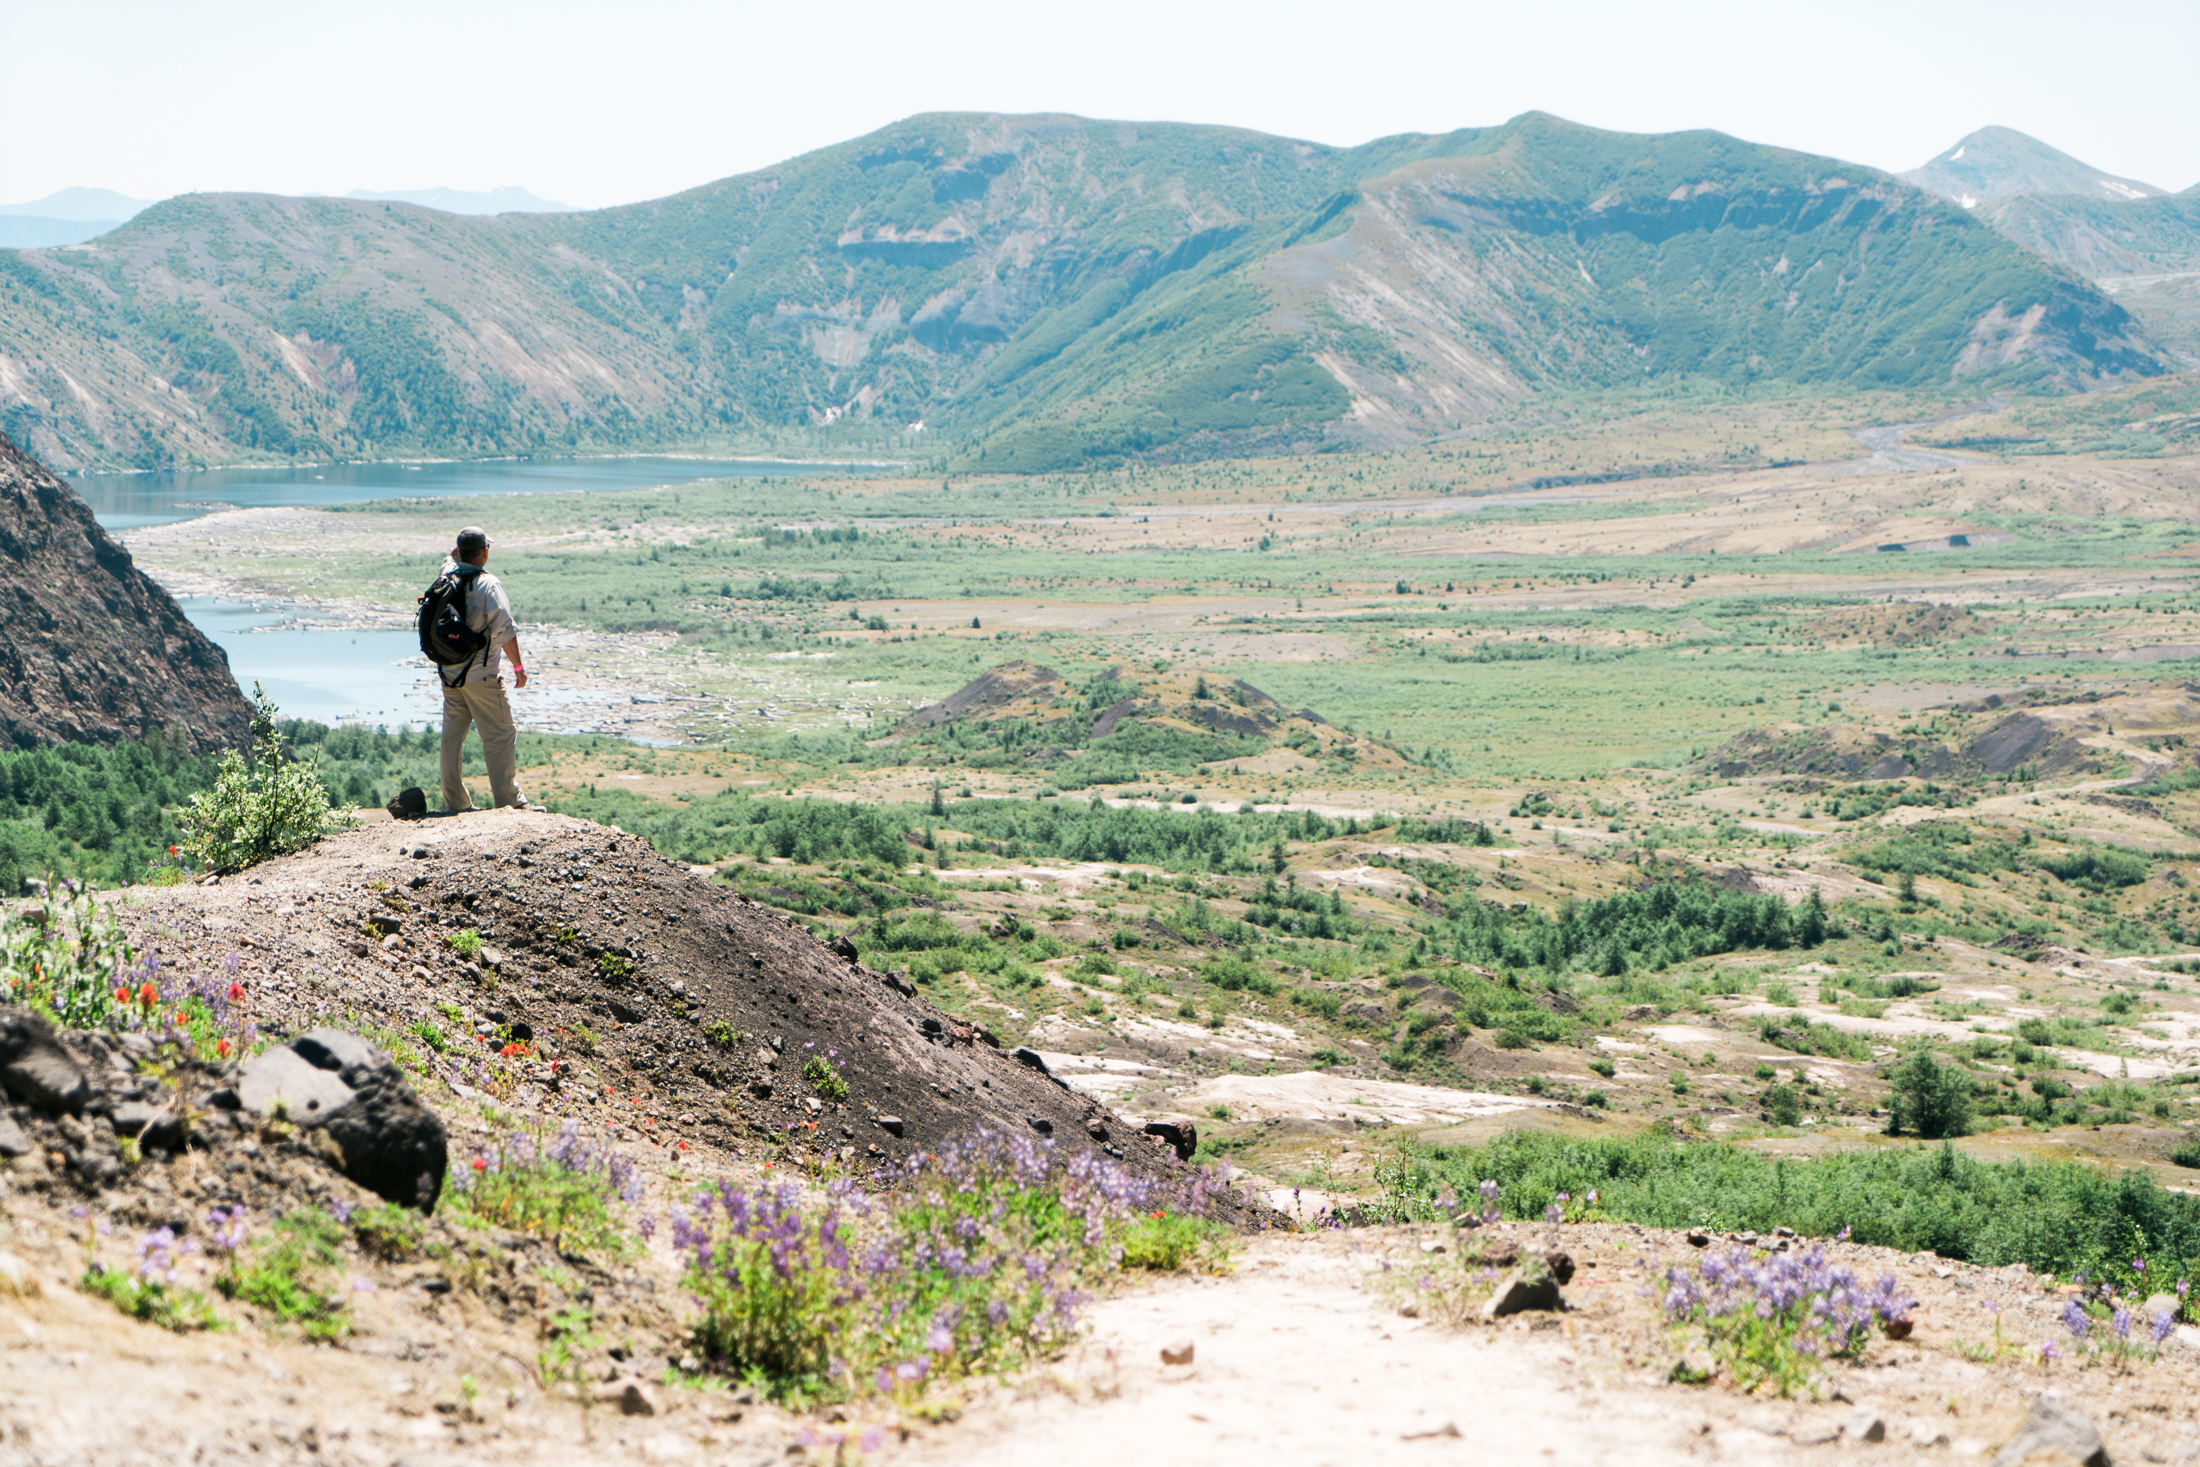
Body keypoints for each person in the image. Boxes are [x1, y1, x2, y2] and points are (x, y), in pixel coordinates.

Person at [437, 526, 533, 812]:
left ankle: (456, 803)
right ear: (484, 552)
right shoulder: (488, 585)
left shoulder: (446, 575)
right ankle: (508, 801)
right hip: (480, 675)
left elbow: (449, 557)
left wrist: (457, 553)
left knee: (452, 737)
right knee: (500, 734)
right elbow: (505, 630)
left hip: (449, 673)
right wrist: (518, 667)